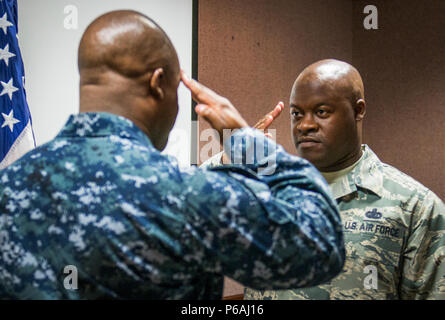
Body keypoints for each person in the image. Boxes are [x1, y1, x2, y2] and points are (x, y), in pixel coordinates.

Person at [0, 12, 345, 299]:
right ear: (157, 83)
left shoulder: (7, 186)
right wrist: (246, 140)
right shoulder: (187, 195)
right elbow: (321, 242)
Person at [241, 59, 445, 299]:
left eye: (321, 112)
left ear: (358, 110)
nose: (304, 125)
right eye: (297, 114)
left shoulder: (415, 208)